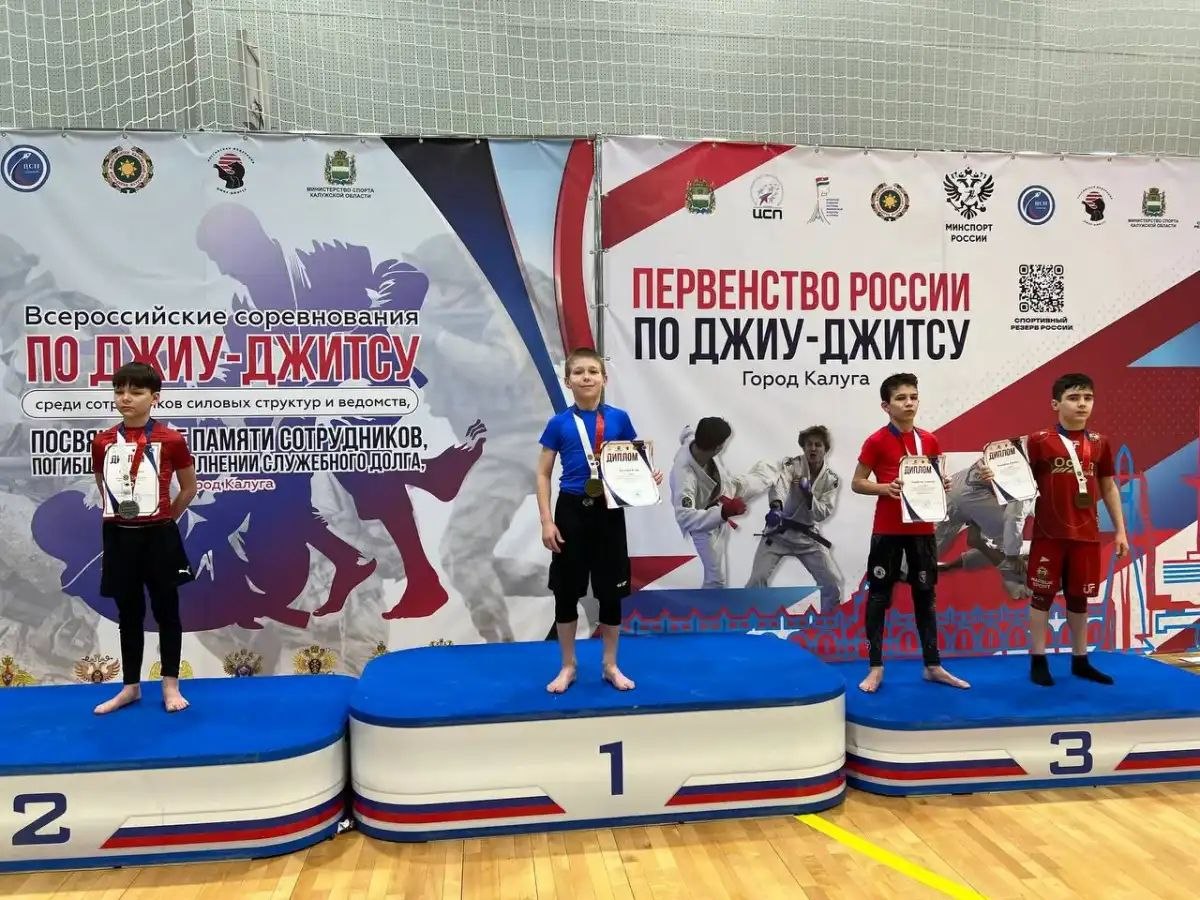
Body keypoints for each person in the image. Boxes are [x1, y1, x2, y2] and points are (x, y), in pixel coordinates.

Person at [984, 373, 1128, 686]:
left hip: (1086, 536)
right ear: (1055, 404)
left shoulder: (1099, 443)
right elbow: (1016, 480)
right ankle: (1038, 660)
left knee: (1080, 598)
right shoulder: (1038, 441)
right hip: (1049, 535)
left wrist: (1120, 530)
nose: (1082, 404)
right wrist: (993, 475)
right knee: (1042, 596)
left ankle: (1081, 660)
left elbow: (1108, 487)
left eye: (1088, 398)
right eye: (1074, 398)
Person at [536, 348, 661, 694]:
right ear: (568, 381)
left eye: (593, 371)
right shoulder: (559, 423)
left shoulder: (619, 419)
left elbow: (634, 462)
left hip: (609, 511)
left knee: (611, 593)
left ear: (604, 379)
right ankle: (568, 666)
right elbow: (543, 474)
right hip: (571, 511)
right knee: (565, 592)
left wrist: (648, 477)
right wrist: (546, 521)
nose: (587, 377)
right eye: (578, 372)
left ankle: (610, 665)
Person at [851, 373, 969, 693]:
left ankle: (933, 665)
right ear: (886, 406)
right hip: (887, 530)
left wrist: (942, 484)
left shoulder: (929, 440)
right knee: (878, 597)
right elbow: (857, 482)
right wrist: (884, 488)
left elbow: (933, 480)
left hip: (922, 530)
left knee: (925, 596)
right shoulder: (876, 441)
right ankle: (875, 668)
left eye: (913, 397)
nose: (909, 403)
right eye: (901, 398)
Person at [91, 362, 197, 713]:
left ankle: (170, 685)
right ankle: (130, 687)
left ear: (155, 397)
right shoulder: (103, 441)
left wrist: (165, 518)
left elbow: (189, 488)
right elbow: (104, 487)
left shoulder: (171, 439)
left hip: (159, 537)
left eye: (136, 392)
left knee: (167, 611)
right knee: (129, 613)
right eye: (119, 391)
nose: (125, 398)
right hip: (119, 537)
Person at [746, 425, 845, 613]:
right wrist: (776, 507)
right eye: (809, 444)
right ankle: (751, 619)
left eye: (818, 445)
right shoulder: (792, 465)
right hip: (778, 533)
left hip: (807, 537)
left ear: (825, 449)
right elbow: (781, 484)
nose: (813, 448)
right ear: (803, 447)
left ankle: (830, 621)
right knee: (756, 579)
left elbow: (822, 513)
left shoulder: (830, 479)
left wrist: (809, 496)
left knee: (832, 582)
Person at [668, 418, 775, 588]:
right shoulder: (684, 475)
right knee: (716, 579)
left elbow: (688, 434)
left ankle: (785, 469)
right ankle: (709, 606)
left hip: (726, 488)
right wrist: (723, 512)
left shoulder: (696, 440)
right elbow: (685, 517)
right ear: (718, 447)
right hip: (704, 523)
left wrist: (686, 431)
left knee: (765, 477)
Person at [936, 442, 1033, 602]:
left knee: (925, 554)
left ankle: (904, 569)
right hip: (971, 490)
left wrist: (953, 564)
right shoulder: (1031, 478)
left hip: (959, 485)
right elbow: (1012, 520)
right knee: (1008, 537)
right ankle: (1012, 577)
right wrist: (1012, 560)